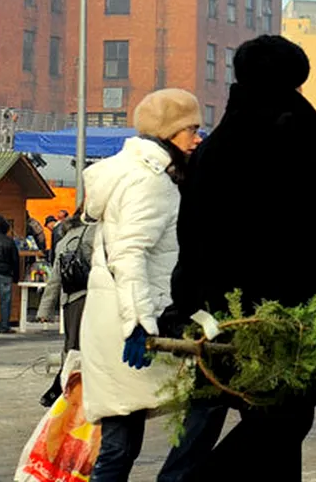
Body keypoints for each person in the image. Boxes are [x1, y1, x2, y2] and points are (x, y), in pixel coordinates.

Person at [166, 35, 316, 479]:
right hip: (284, 311)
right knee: (284, 418)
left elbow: (192, 233)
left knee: (270, 421)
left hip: (222, 310)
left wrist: (191, 304)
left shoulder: (215, 149)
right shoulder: (300, 141)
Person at [79, 88, 202, 482]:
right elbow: (129, 253)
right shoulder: (149, 182)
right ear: (167, 132)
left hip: (116, 312)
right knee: (201, 400)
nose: (197, 139)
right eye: (190, 129)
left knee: (122, 431)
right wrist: (139, 325)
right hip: (130, 316)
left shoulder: (141, 174)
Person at [36, 212, 93, 408]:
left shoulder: (64, 241)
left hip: (69, 300)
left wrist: (45, 311)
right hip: (91, 297)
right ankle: (61, 388)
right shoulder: (95, 234)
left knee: (71, 347)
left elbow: (55, 280)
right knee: (83, 349)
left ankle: (61, 387)